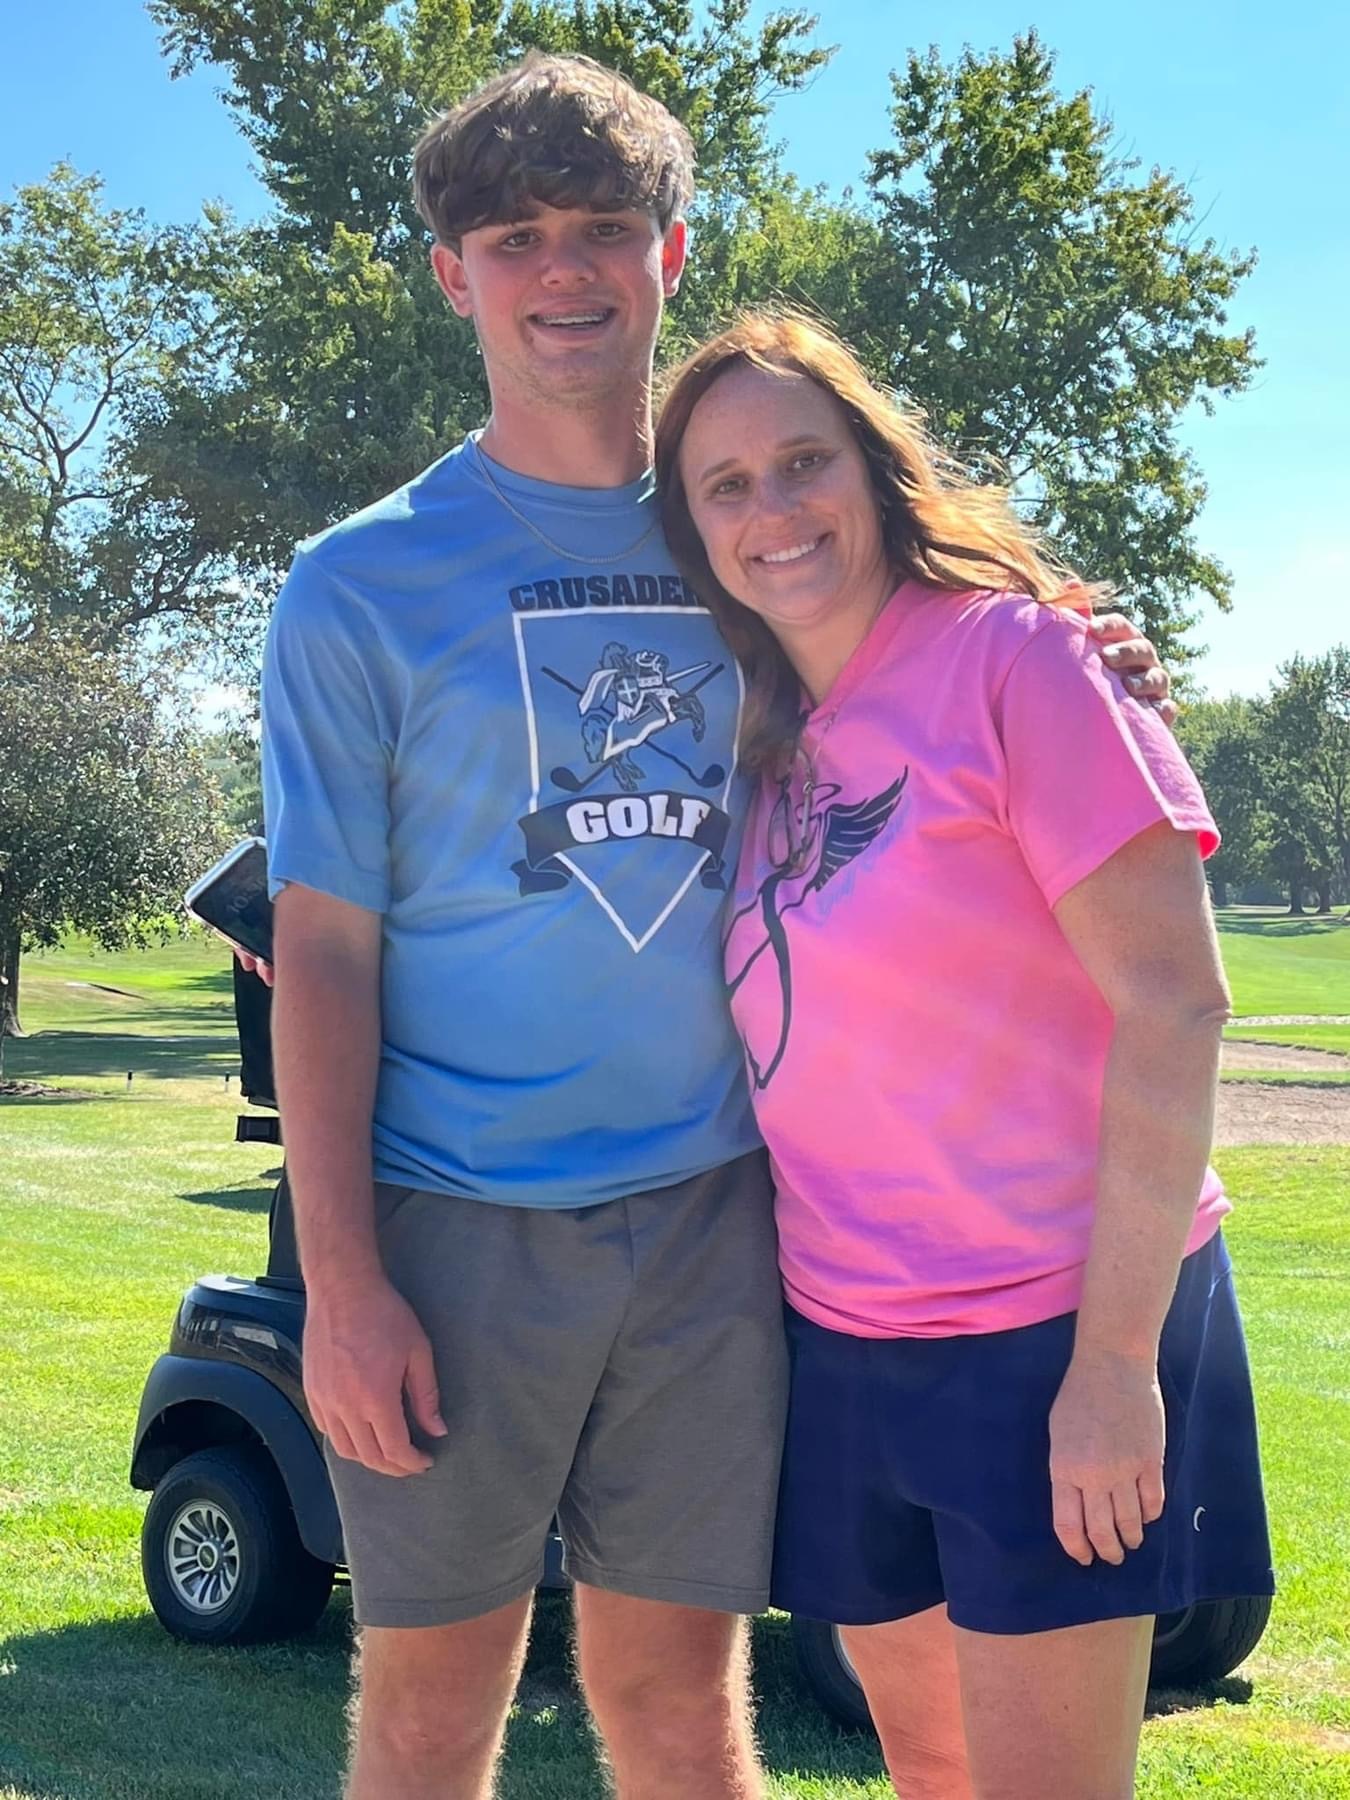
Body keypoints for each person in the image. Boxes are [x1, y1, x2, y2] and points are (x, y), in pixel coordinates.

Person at [256, 53, 1174, 1800]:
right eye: (513, 239)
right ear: (451, 275)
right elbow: (324, 949)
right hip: (455, 1221)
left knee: (679, 1702)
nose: (563, 269)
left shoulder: (759, 531)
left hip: (722, 1218)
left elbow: (958, 674)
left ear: (669, 251)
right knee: (428, 1719)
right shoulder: (355, 582)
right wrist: (345, 1283)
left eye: (604, 226)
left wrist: (1082, 644)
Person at [654, 310, 1274, 1800]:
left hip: (1053, 1326)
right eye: (725, 486)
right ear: (694, 532)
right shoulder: (755, 726)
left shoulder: (1020, 658)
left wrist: (1112, 1366)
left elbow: (1176, 1006)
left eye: (802, 462)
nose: (771, 509)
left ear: (874, 470)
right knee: (928, 1772)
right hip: (845, 1336)